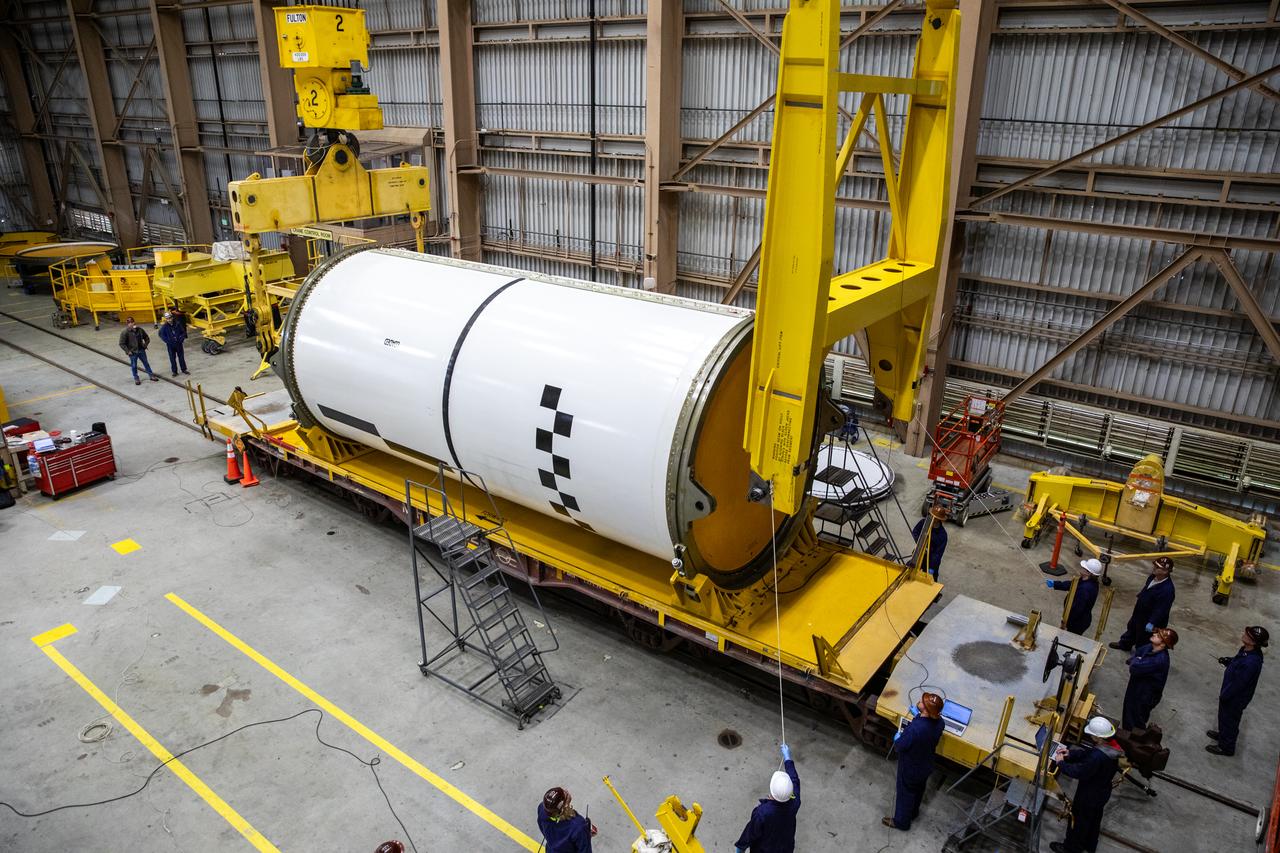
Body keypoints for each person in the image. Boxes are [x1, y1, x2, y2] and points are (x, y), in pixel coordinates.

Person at [1050, 716, 1123, 853]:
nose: (1090, 737)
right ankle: (1089, 846)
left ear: (1098, 737)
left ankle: (1071, 849)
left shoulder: (1097, 757)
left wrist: (1061, 763)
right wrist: (1070, 753)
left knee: (1078, 822)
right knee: (1093, 821)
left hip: (1089, 795)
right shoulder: (1110, 747)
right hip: (1102, 791)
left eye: (1092, 735)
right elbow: (1089, 753)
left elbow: (1079, 771)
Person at [882, 692, 946, 831]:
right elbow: (928, 727)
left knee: (905, 793)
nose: (920, 701)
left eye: (923, 702)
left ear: (926, 711)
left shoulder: (915, 730)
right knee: (918, 790)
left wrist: (897, 739)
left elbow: (900, 746)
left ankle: (901, 822)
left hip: (911, 767)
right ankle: (913, 813)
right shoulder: (940, 722)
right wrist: (917, 715)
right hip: (926, 764)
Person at [1206, 625, 1268, 756]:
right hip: (1230, 692)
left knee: (1230, 720)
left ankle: (1226, 747)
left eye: (1248, 634)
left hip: (1235, 697)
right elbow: (1238, 661)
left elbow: (1239, 683)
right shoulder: (1247, 650)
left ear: (1253, 642)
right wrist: (1229, 661)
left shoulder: (1251, 662)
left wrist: (1226, 695)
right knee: (1223, 717)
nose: (1244, 634)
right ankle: (1223, 736)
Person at [735, 743, 800, 853]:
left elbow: (748, 837)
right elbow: (795, 780)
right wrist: (788, 759)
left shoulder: (762, 813)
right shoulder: (794, 803)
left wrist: (740, 849)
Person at [1108, 556, 1175, 651]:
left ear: (1165, 571)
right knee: (1132, 627)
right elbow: (1147, 588)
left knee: (1144, 637)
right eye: (1155, 565)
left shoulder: (1167, 590)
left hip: (1150, 617)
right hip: (1140, 611)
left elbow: (1161, 609)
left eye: (1157, 567)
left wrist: (1152, 622)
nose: (1154, 568)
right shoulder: (1153, 577)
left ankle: (1140, 655)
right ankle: (1125, 644)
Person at [1122, 627, 1177, 731]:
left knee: (1135, 719)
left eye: (1158, 636)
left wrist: (1136, 660)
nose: (1154, 634)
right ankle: (1127, 733)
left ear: (1163, 644)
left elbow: (1134, 668)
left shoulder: (1159, 660)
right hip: (1137, 687)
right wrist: (1138, 659)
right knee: (1128, 711)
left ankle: (1134, 737)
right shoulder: (1151, 647)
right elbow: (1138, 652)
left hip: (1144, 694)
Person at [1046, 558, 1103, 636]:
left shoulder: (1084, 590)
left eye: (1084, 568)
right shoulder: (1087, 580)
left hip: (1077, 622)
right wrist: (1055, 584)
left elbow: (1077, 609)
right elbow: (1072, 584)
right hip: (1081, 619)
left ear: (1088, 573)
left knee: (1068, 638)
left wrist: (1066, 621)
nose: (1082, 568)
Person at [537, 786, 596, 853]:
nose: (566, 791)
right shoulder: (578, 827)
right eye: (565, 794)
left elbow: (543, 829)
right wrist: (586, 835)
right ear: (564, 805)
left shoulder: (542, 809)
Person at [910, 506, 949, 581]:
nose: (932, 518)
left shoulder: (942, 535)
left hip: (931, 560)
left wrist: (931, 568)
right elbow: (915, 532)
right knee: (909, 570)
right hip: (920, 554)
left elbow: (938, 554)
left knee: (930, 580)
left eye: (935, 518)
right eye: (932, 515)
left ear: (939, 519)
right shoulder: (923, 523)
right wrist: (921, 544)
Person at [118, 316, 158, 385]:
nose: (132, 324)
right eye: (130, 323)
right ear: (127, 324)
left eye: (132, 322)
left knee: (146, 363)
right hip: (132, 352)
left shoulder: (140, 330)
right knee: (134, 366)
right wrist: (128, 351)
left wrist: (145, 345)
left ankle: (151, 375)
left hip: (141, 350)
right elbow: (121, 343)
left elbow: (147, 338)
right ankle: (136, 378)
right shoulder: (125, 332)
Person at [158, 310, 190, 377]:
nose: (169, 320)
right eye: (167, 319)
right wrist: (168, 341)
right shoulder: (164, 327)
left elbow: (183, 332)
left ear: (172, 317)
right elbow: (161, 335)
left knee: (181, 357)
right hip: (171, 346)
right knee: (172, 358)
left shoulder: (178, 324)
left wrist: (181, 339)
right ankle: (174, 371)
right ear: (166, 319)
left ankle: (184, 369)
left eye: (170, 318)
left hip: (179, 344)